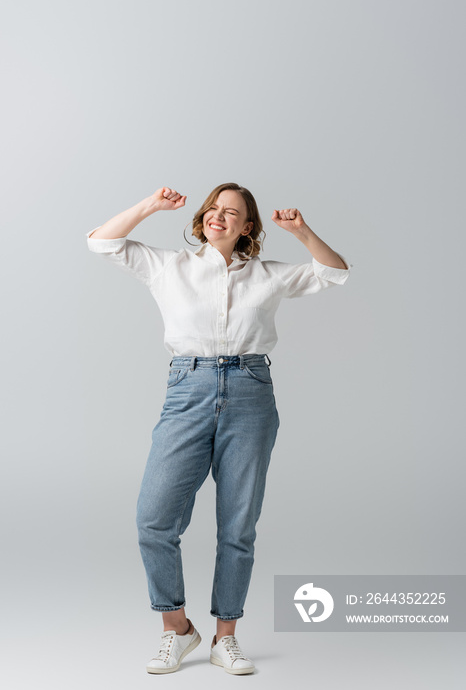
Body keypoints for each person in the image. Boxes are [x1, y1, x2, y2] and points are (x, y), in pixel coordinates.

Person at [85, 183, 352, 675]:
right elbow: (102, 241)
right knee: (154, 517)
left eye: (233, 213)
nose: (219, 216)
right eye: (214, 208)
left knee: (238, 525)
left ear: (247, 227)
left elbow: (335, 272)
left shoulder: (267, 275)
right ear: (203, 217)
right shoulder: (171, 266)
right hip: (188, 388)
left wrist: (301, 230)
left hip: (251, 391)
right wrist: (150, 205)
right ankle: (178, 629)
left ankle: (225, 637)